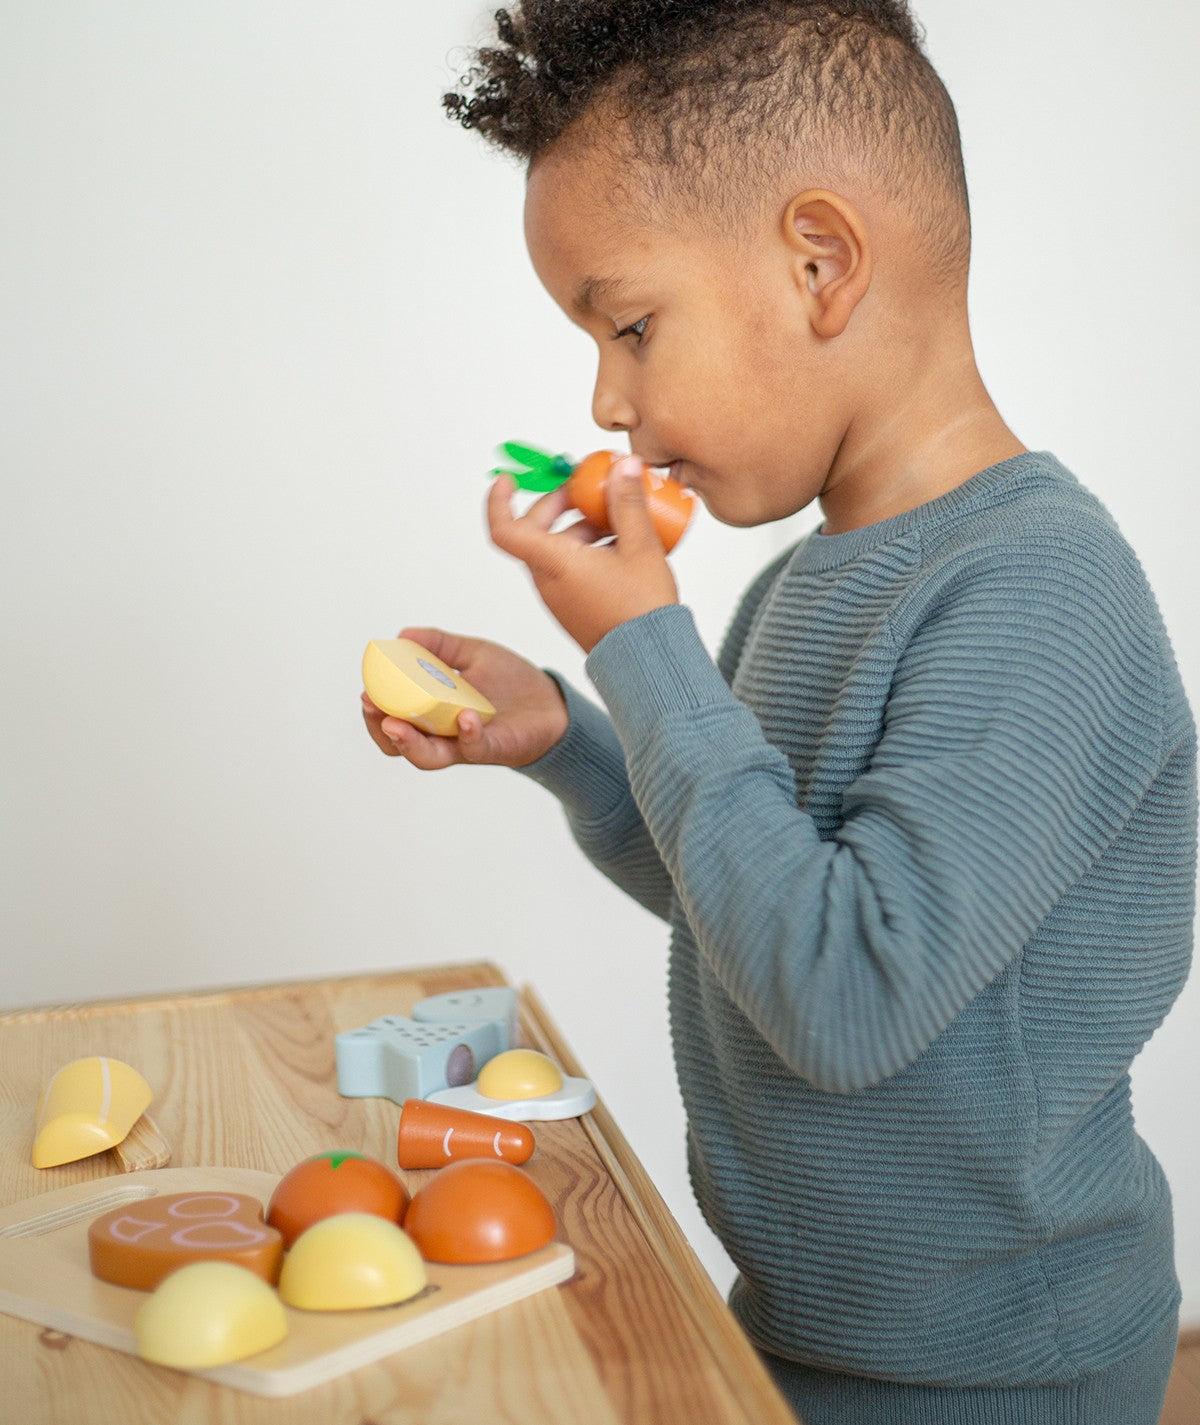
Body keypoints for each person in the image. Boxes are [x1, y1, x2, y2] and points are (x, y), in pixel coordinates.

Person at [363, 4, 1197, 1420]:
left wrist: (648, 649)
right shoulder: (797, 587)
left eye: (629, 325)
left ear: (820, 262)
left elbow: (845, 989)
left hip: (1002, 1364)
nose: (605, 397)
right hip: (808, 1324)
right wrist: (572, 738)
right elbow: (746, 893)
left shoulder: (1041, 592)